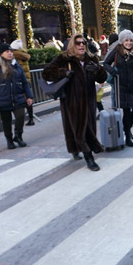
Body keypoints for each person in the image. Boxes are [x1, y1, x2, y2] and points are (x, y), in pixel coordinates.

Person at [43, 34, 109, 171]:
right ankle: (89, 157)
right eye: (78, 43)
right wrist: (63, 72)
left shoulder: (91, 59)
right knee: (81, 129)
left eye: (84, 43)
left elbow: (103, 77)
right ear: (73, 45)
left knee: (87, 126)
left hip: (89, 100)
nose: (81, 45)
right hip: (71, 101)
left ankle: (75, 148)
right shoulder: (64, 58)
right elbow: (46, 73)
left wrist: (97, 70)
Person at [0, 43, 33, 150]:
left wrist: (29, 96)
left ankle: (18, 137)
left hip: (18, 98)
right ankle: (9, 140)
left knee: (20, 117)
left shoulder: (16, 65)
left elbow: (24, 82)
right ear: (1, 54)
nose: (10, 53)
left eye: (10, 51)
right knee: (6, 121)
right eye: (7, 52)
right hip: (2, 99)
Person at [10, 39, 36, 126]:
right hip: (27, 79)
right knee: (28, 99)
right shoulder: (24, 54)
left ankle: (28, 118)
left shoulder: (15, 55)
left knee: (24, 100)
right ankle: (31, 118)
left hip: (21, 80)